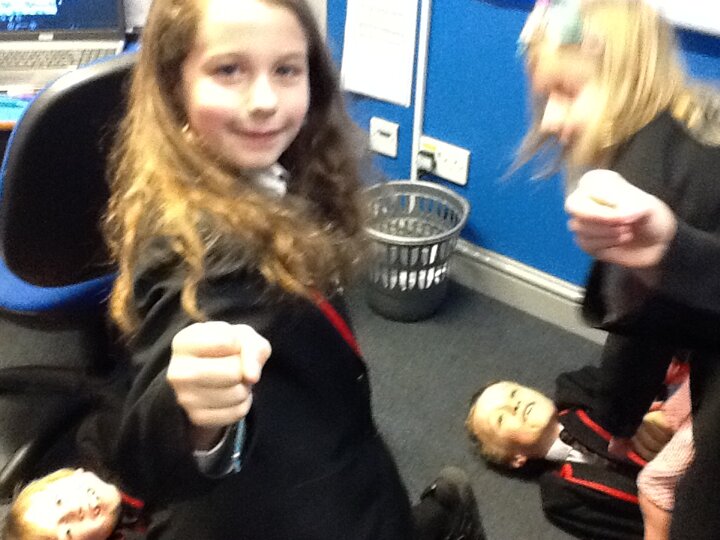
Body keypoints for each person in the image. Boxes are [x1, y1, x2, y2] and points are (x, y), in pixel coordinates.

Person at [101, 0, 484, 539]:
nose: (265, 101)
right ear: (173, 86)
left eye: (286, 70)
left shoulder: (259, 175)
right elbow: (150, 455)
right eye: (228, 70)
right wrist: (192, 417)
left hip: (322, 432)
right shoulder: (199, 249)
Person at [517, 1, 720, 537]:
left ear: (629, 78)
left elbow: (639, 326)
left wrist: (619, 418)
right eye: (545, 98)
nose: (550, 119)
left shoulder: (642, 171)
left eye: (568, 93)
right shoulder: (693, 122)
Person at [466, 372, 689, 540]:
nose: (514, 404)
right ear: (514, 459)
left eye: (514, 393)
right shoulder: (560, 499)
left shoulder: (581, 388)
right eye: (501, 419)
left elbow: (660, 377)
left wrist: (662, 412)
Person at [1, 468, 146, 540]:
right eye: (68, 533)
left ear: (68, 475)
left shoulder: (112, 439)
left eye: (59, 501)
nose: (75, 509)